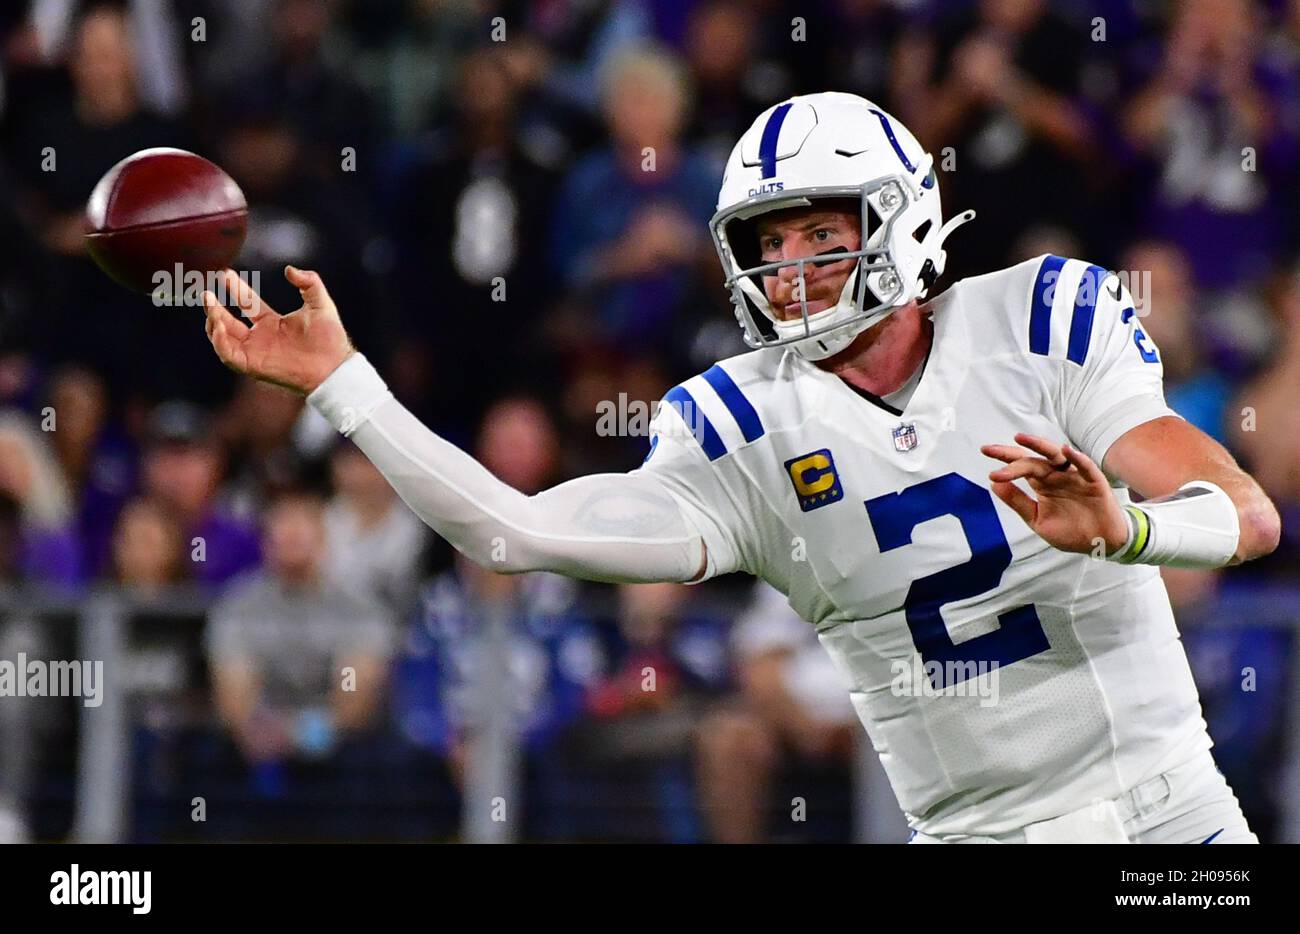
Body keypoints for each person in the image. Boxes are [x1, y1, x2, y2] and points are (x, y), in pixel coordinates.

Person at [198, 92, 1280, 844]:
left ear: (897, 221)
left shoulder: (1043, 317)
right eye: (768, 243)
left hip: (1164, 817)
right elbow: (510, 533)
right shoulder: (739, 427)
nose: (791, 270)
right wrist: (347, 387)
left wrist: (1125, 527)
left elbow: (1245, 513)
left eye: (820, 233)